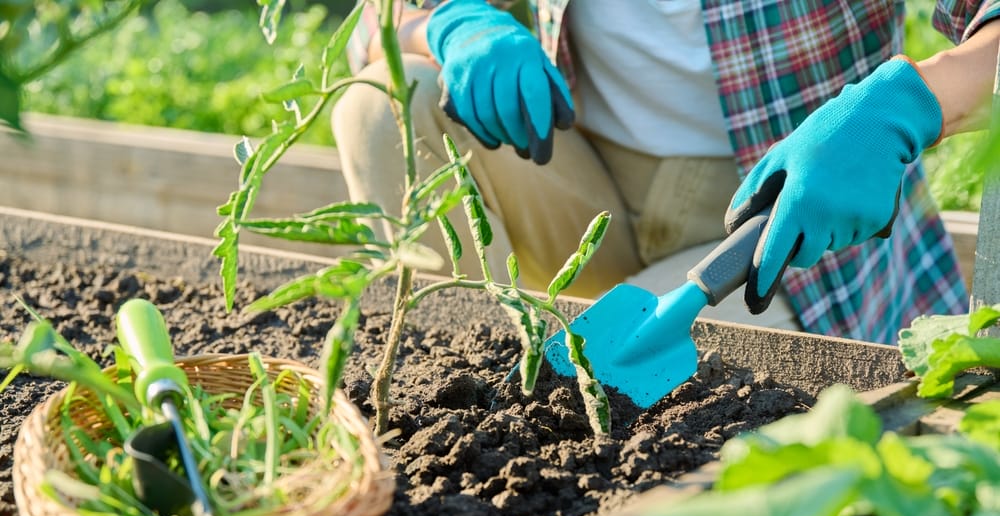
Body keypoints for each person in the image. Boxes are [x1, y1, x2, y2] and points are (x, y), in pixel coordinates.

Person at [333, 0, 1000, 344]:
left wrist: (905, 106)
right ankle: (472, 374)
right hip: (583, 185)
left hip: (787, 226)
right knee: (386, 104)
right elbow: (376, 20)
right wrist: (450, 23)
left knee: (602, 385)